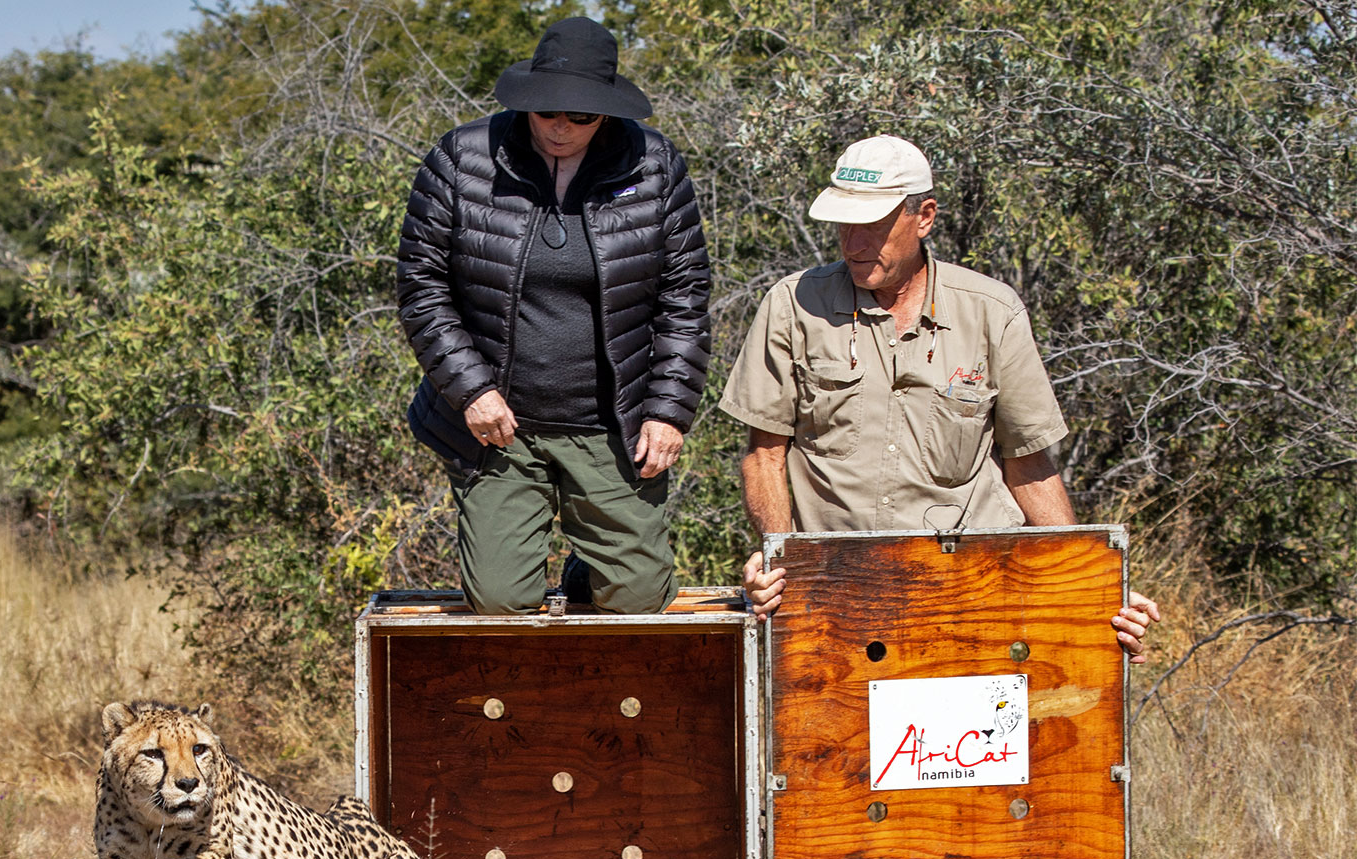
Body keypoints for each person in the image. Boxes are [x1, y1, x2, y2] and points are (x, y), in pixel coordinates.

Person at [718, 135, 1159, 659]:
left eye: (873, 226)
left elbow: (1029, 467)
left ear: (923, 216)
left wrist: (1092, 585)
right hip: (838, 590)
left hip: (970, 587)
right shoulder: (792, 306)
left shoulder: (991, 312)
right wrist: (778, 556)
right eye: (843, 225)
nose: (853, 244)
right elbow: (764, 456)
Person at [396, 16, 711, 616]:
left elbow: (684, 298)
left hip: (610, 426)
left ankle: (587, 566)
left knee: (639, 599)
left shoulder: (655, 166)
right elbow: (421, 285)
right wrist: (472, 392)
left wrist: (668, 413)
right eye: (547, 112)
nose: (562, 127)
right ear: (527, 102)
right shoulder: (462, 159)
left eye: (582, 116)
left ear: (608, 113)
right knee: (499, 599)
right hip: (499, 425)